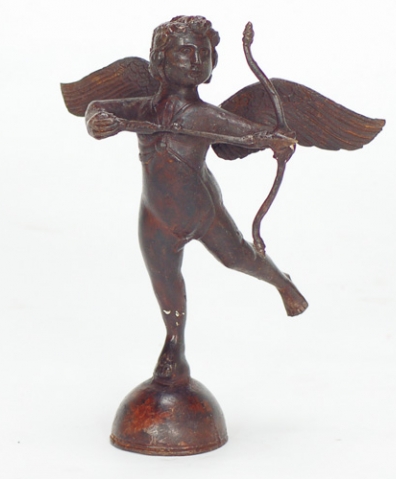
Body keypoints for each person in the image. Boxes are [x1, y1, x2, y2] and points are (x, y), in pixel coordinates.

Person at [85, 16, 308, 385]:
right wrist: (98, 122)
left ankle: (282, 282)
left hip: (203, 212)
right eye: (185, 51)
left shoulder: (206, 116)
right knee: (165, 282)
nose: (195, 59)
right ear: (159, 60)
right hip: (155, 216)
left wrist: (277, 140)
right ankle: (175, 345)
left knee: (238, 257)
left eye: (204, 54)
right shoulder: (143, 110)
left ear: (211, 67)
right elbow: (97, 107)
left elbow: (251, 134)